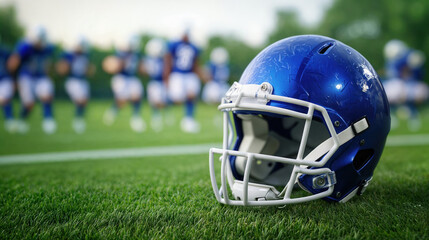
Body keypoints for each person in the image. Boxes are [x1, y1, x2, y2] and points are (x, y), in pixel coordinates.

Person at [7, 26, 56, 134]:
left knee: (47, 95)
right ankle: (21, 120)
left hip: (40, 76)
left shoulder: (48, 48)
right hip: (27, 77)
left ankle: (48, 120)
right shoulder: (25, 47)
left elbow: (48, 64)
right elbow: (13, 63)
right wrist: (13, 80)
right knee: (29, 104)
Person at [102, 36, 146, 133]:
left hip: (132, 78)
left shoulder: (136, 54)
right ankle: (112, 111)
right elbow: (111, 66)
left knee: (137, 96)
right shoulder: (120, 54)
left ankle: (136, 118)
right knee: (122, 101)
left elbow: (139, 67)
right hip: (121, 78)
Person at [382, 40, 428, 131]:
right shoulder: (392, 63)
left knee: (419, 91)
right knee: (390, 92)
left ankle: (413, 115)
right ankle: (393, 116)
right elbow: (392, 76)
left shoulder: (410, 57)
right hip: (399, 86)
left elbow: (419, 75)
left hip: (410, 86)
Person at [164, 31, 204, 133]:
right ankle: (167, 113)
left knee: (191, 95)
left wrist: (200, 75)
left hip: (189, 75)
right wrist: (167, 77)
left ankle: (188, 119)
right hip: (177, 74)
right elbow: (168, 61)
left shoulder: (194, 47)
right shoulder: (173, 45)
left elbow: (196, 63)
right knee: (177, 99)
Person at [57, 37, 94, 133]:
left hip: (82, 80)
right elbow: (62, 69)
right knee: (81, 100)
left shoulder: (86, 55)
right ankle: (78, 121)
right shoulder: (69, 54)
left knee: (84, 101)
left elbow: (88, 69)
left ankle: (79, 119)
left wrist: (89, 70)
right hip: (72, 80)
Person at [142, 38, 168, 132]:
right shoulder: (148, 59)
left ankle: (162, 116)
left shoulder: (163, 60)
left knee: (162, 102)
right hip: (153, 82)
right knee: (154, 102)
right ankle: (156, 117)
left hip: (161, 82)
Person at [0, 36, 16, 133]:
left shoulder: (5, 52)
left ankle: (9, 119)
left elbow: (13, 65)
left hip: (4, 79)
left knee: (5, 99)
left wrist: (14, 80)